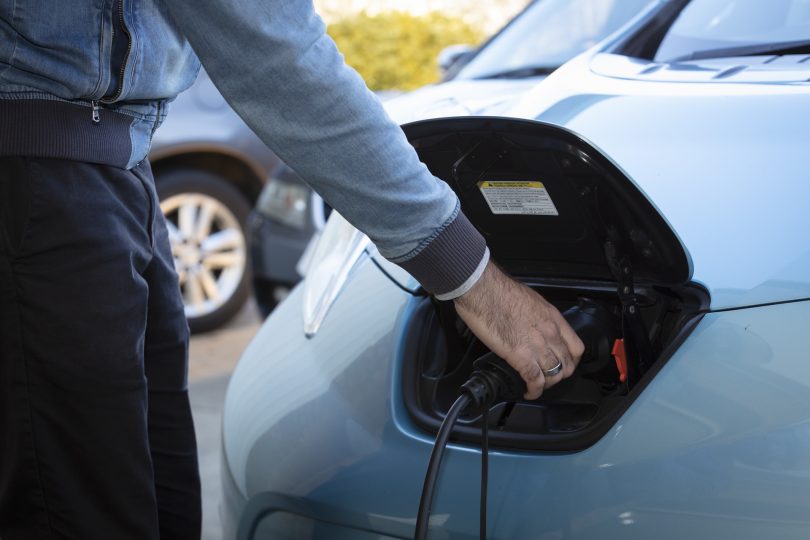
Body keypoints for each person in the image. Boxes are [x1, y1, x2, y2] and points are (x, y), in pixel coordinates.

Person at [0, 0, 584, 538]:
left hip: (115, 170)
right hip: (38, 176)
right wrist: (471, 277)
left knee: (161, 503)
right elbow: (276, 52)